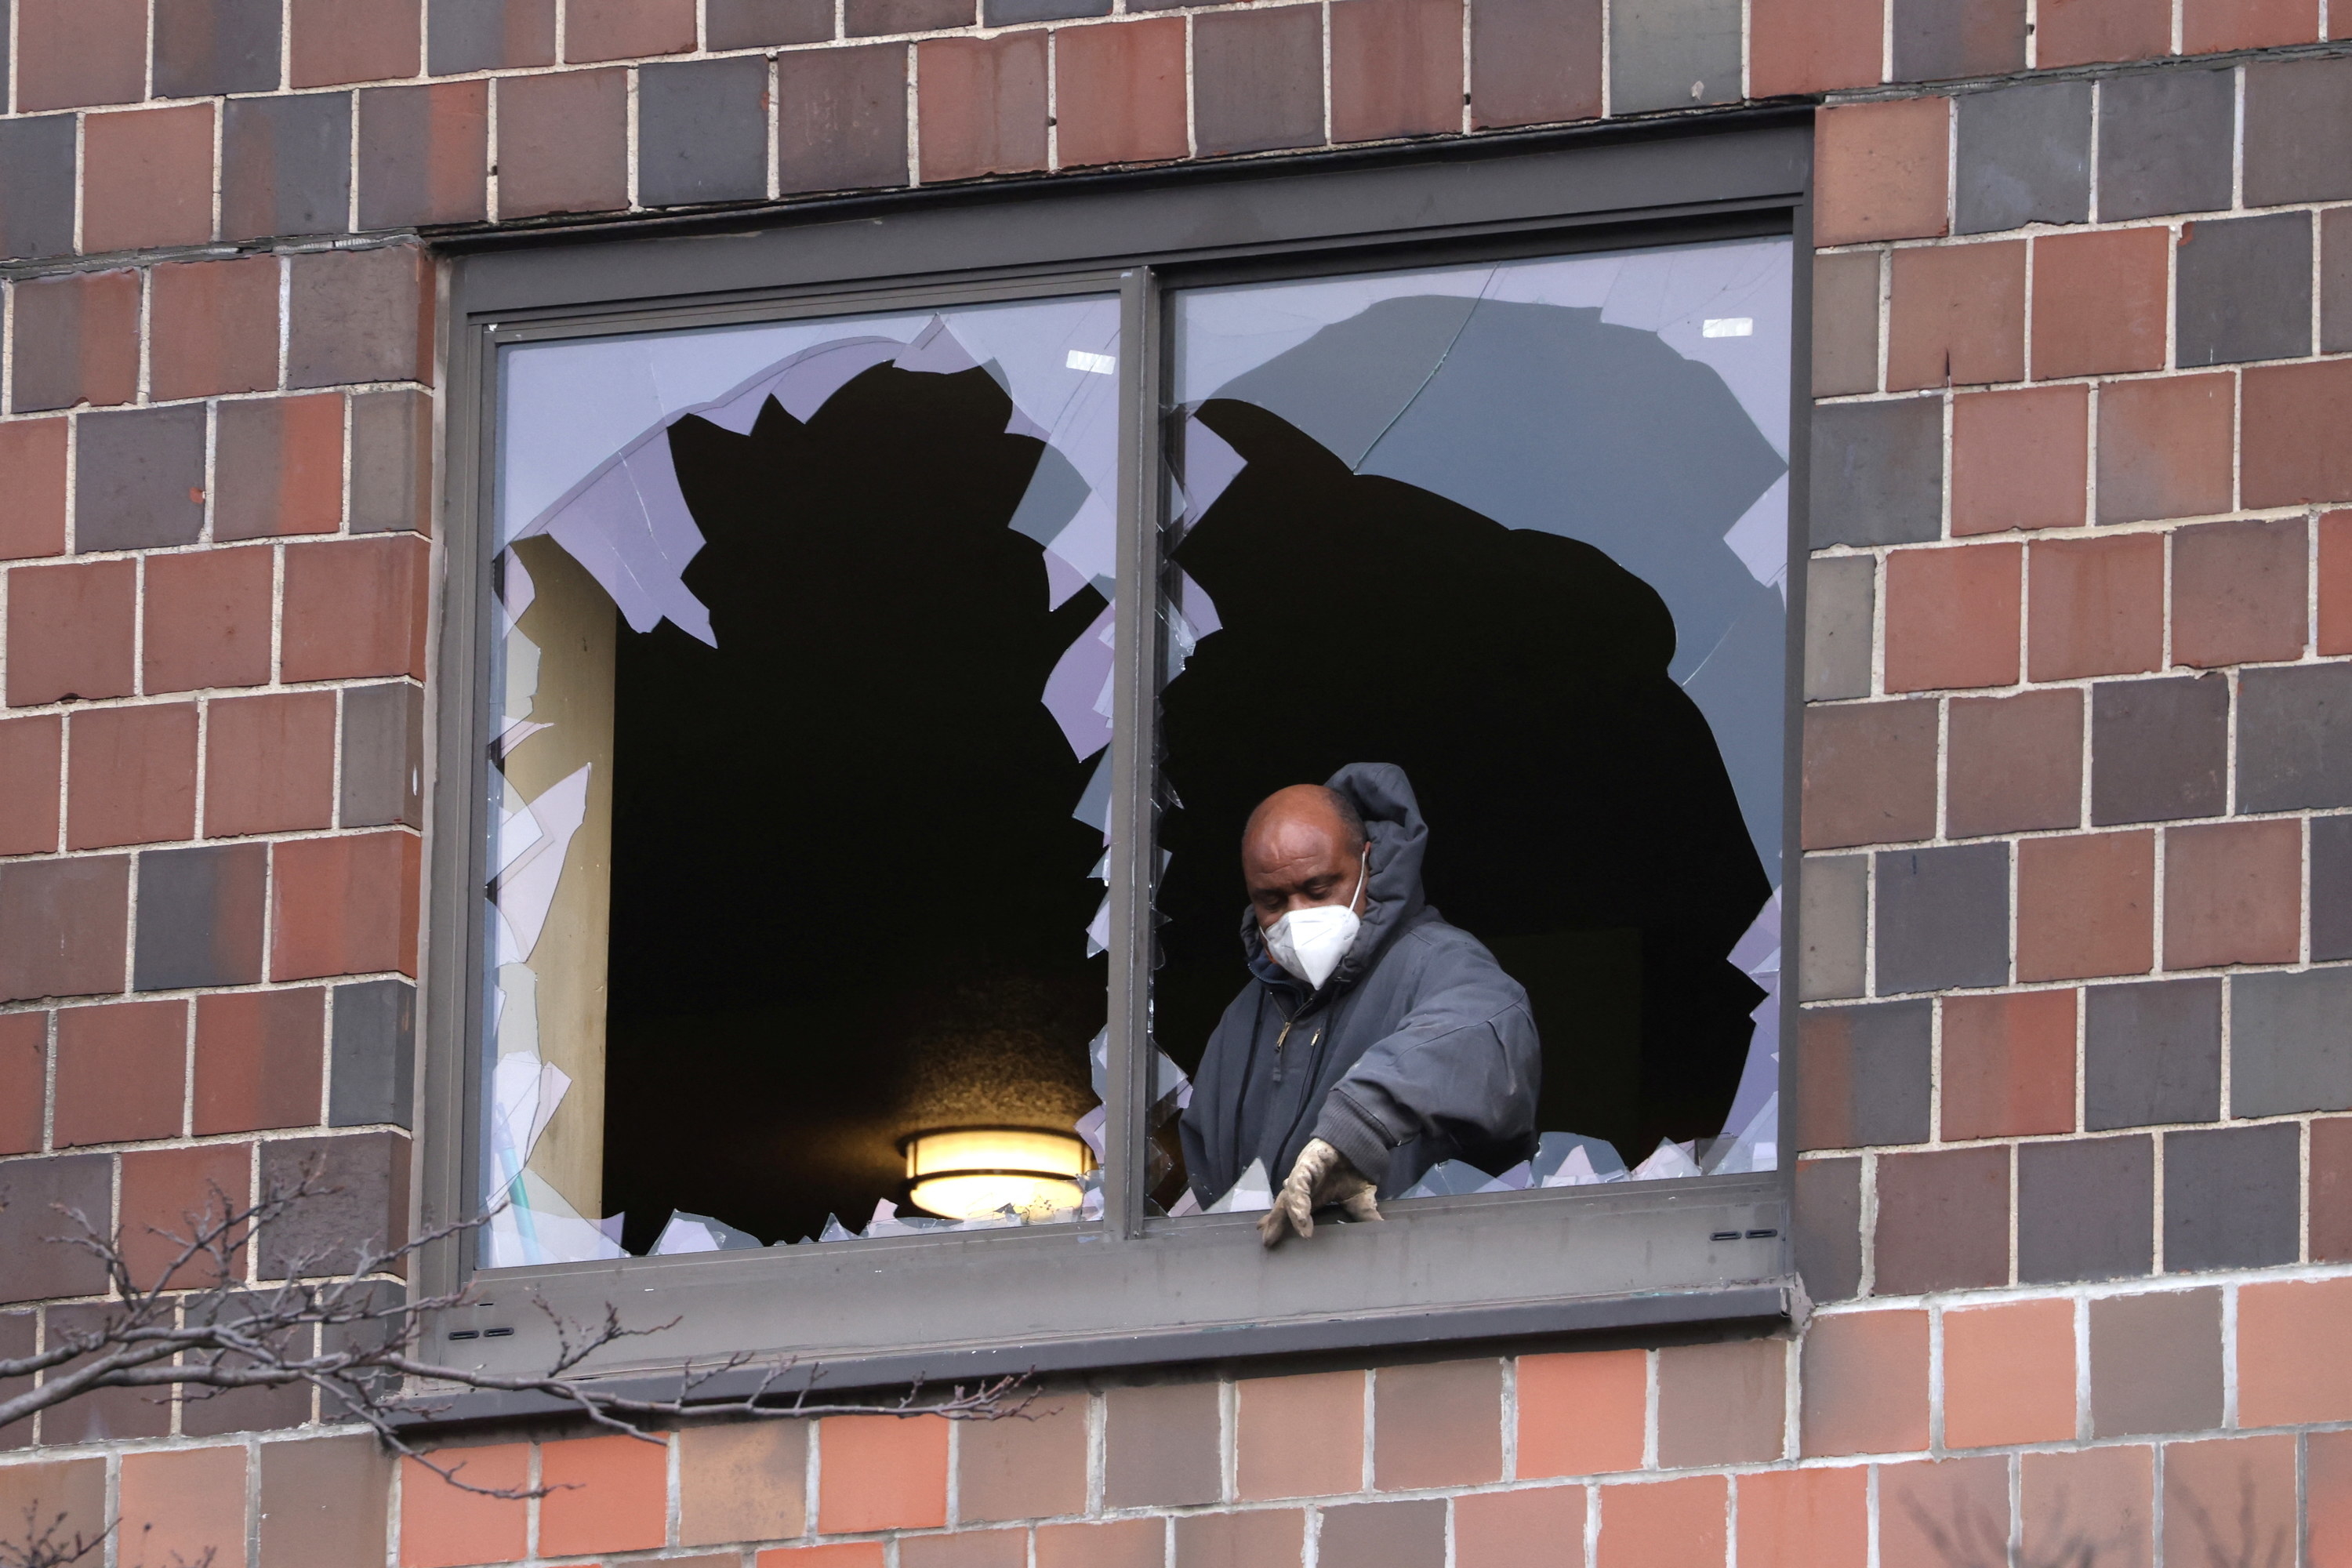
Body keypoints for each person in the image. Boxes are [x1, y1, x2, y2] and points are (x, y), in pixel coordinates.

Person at [1179, 763, 1541, 1246]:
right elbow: (1209, 1186)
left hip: (1411, 1288)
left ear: (1369, 863)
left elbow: (1488, 1032)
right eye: (1272, 900)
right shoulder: (1241, 1022)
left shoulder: (1439, 964)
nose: (1297, 916)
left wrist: (1358, 1126)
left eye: (1318, 889)